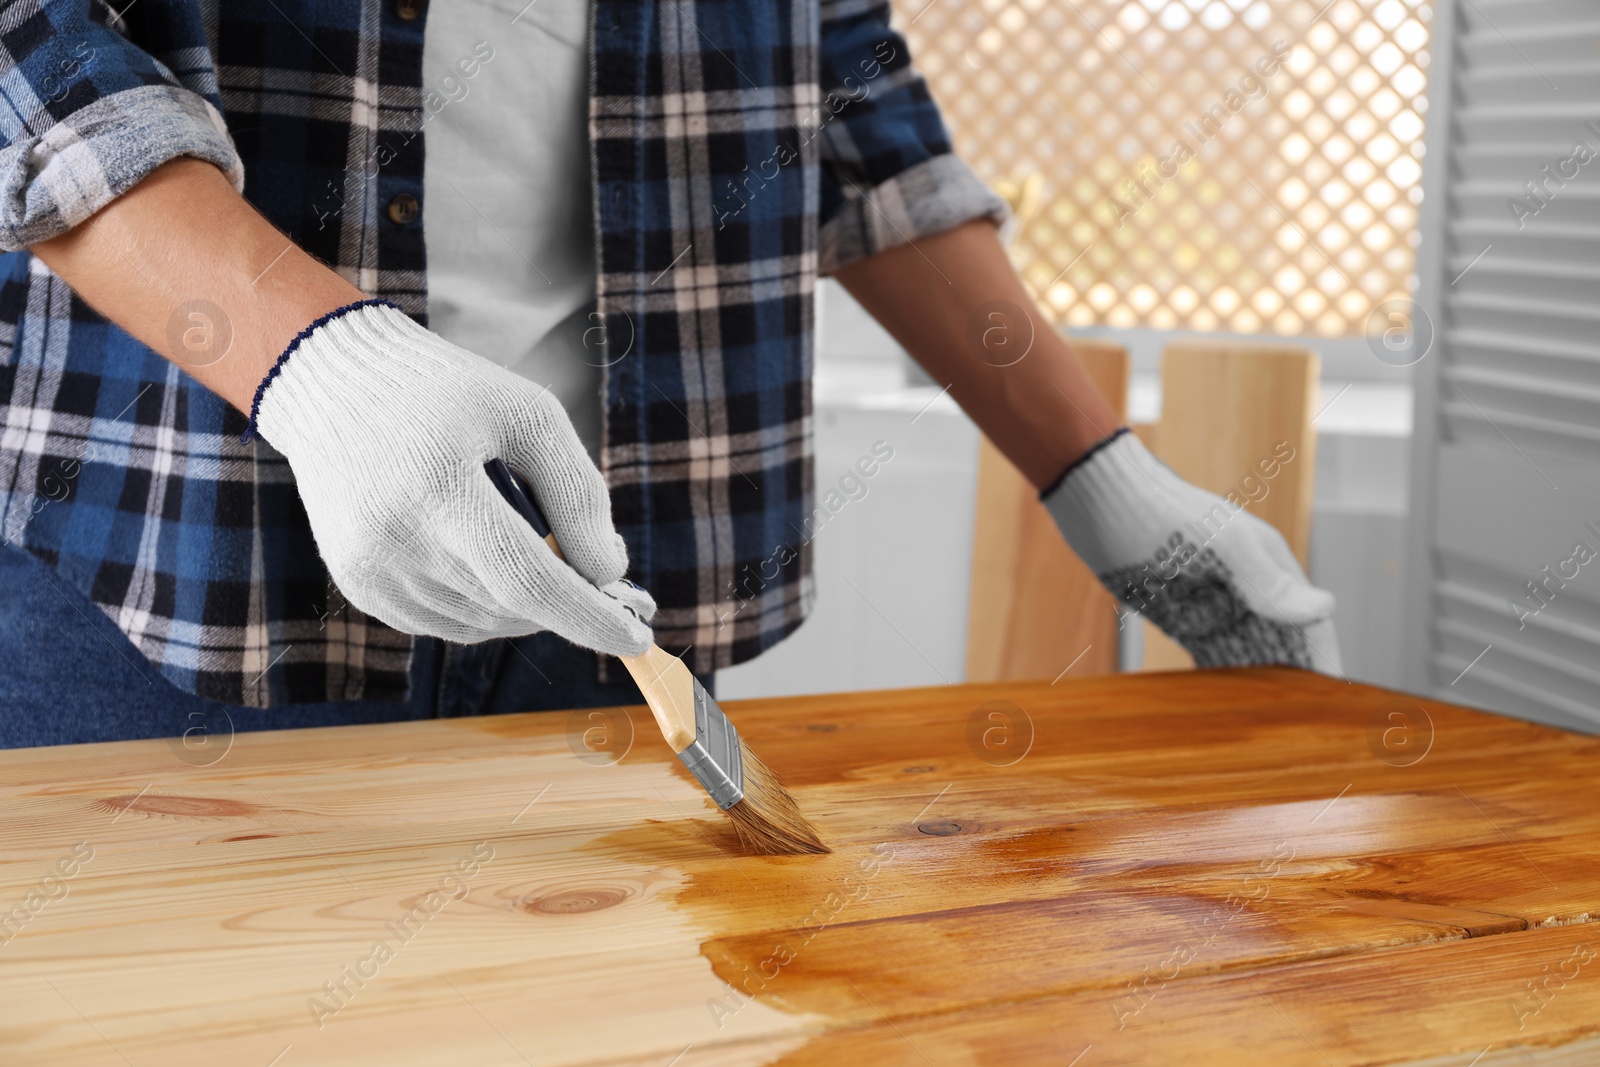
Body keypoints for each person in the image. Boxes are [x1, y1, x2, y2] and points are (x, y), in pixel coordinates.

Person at [0, 0, 1340, 748]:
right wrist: (312, 362)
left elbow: (856, 109)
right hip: (170, 574)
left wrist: (1100, 477)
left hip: (610, 592)